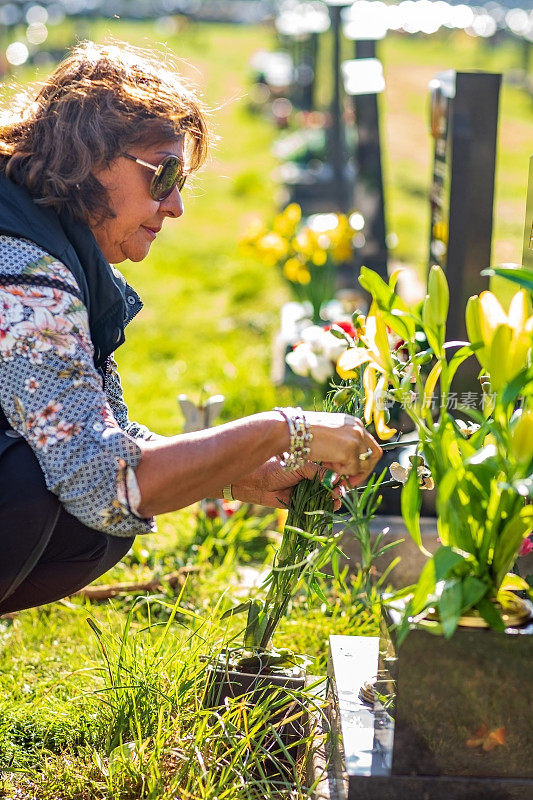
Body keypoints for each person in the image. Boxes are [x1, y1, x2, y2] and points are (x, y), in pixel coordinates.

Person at [0, 41, 382, 615]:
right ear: (85, 159)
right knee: (46, 492)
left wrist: (233, 475)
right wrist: (284, 429)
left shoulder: (47, 243)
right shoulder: (25, 277)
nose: (176, 204)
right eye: (164, 173)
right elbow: (106, 481)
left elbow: (109, 438)